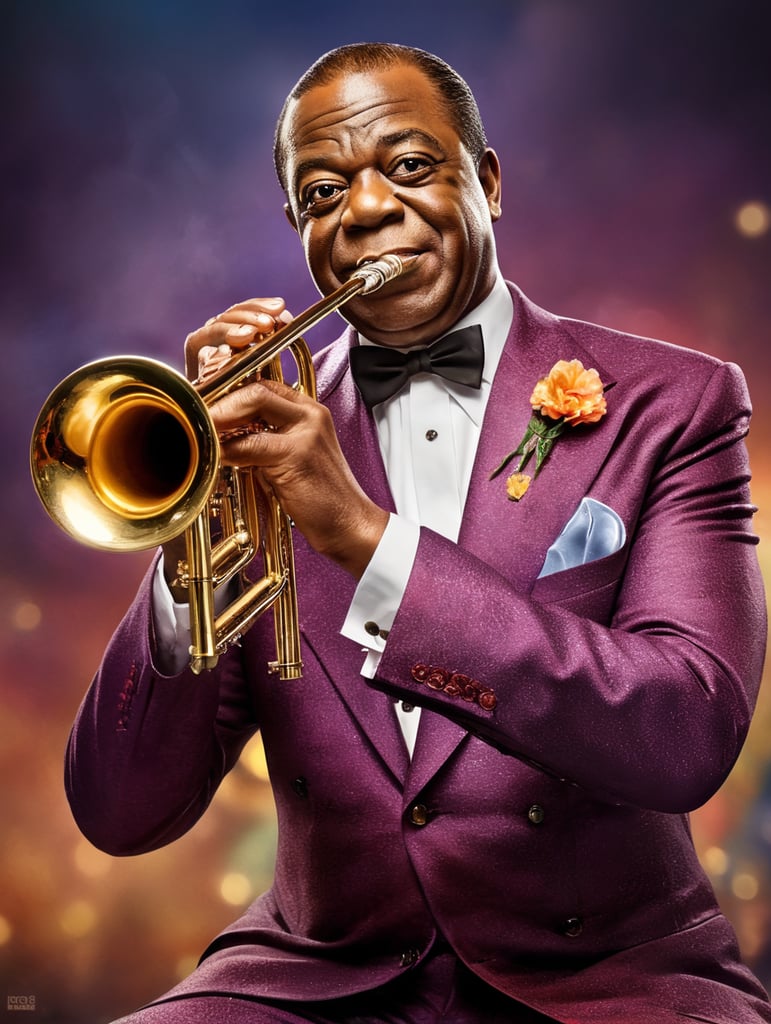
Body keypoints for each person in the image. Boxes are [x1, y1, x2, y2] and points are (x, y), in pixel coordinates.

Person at [63, 42, 770, 1024]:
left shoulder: (676, 402)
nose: (361, 211)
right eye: (320, 192)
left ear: (486, 181)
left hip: (607, 983)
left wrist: (362, 535)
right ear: (298, 227)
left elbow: (685, 732)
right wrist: (193, 536)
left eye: (407, 167)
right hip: (313, 983)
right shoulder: (268, 432)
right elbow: (121, 813)